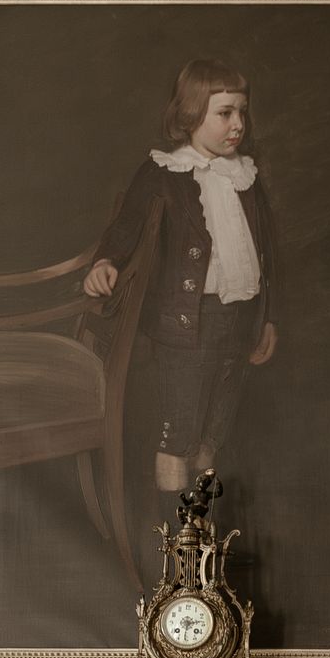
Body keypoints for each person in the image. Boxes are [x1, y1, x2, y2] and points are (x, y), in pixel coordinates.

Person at [84, 56, 277, 494]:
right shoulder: (164, 172)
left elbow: (270, 254)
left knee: (214, 433)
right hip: (187, 325)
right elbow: (125, 227)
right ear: (190, 114)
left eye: (242, 112)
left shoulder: (246, 175)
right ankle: (174, 528)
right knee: (180, 434)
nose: (238, 124)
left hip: (241, 322)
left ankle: (201, 525)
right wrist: (105, 262)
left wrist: (268, 318)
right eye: (225, 113)